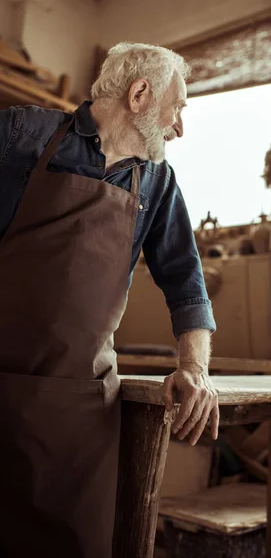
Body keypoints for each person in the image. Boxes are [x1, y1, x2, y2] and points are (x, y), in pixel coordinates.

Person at [0, 42, 219, 558]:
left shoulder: (158, 182)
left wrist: (195, 368)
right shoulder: (20, 136)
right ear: (139, 94)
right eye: (178, 107)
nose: (180, 127)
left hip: (78, 417)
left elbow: (187, 284)